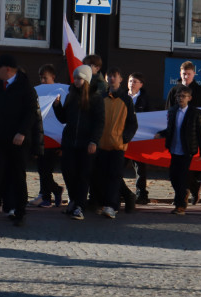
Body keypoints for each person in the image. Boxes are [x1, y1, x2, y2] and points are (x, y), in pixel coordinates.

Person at [0, 54, 42, 228]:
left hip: (18, 142)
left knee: (18, 177)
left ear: (7, 69)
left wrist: (22, 132)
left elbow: (31, 113)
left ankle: (20, 212)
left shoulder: (25, 86)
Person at [52, 65, 104, 221]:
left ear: (86, 80)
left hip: (86, 143)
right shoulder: (71, 96)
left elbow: (99, 122)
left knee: (83, 175)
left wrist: (94, 141)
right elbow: (64, 119)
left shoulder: (95, 98)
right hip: (69, 142)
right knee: (68, 172)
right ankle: (74, 200)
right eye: (75, 78)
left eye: (79, 78)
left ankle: (79, 206)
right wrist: (57, 107)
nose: (76, 81)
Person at [155, 84, 201, 216]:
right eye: (178, 96)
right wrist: (161, 133)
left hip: (187, 150)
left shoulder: (194, 113)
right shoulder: (172, 111)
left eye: (183, 96)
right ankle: (192, 188)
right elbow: (170, 129)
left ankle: (180, 205)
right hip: (174, 149)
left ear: (189, 98)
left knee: (182, 177)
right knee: (173, 176)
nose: (180, 98)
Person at [165, 62, 201, 204]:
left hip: (191, 137)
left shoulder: (200, 91)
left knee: (187, 171)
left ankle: (182, 198)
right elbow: (167, 112)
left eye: (189, 74)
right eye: (184, 74)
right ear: (180, 74)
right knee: (175, 173)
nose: (186, 76)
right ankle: (184, 193)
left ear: (193, 74)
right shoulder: (174, 91)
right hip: (176, 139)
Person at [96, 68, 138, 218]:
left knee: (114, 176)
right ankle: (105, 202)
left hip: (117, 145)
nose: (112, 79)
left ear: (121, 79)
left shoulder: (126, 100)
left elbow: (133, 124)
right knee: (101, 176)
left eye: (115, 76)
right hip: (101, 145)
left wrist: (124, 138)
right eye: (109, 76)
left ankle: (111, 206)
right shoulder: (100, 97)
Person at [34, 64, 64, 207]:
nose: (43, 81)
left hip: (54, 138)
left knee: (46, 169)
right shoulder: (39, 92)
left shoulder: (60, 92)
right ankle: (47, 194)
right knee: (41, 168)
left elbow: (63, 118)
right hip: (42, 136)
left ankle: (50, 194)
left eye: (45, 78)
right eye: (41, 79)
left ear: (53, 77)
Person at [122, 71, 151, 207]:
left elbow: (151, 118)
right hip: (123, 138)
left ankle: (141, 194)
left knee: (140, 169)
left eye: (135, 81)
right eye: (130, 81)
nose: (131, 84)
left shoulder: (145, 100)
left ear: (141, 84)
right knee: (118, 166)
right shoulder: (121, 97)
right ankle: (120, 192)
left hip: (139, 139)